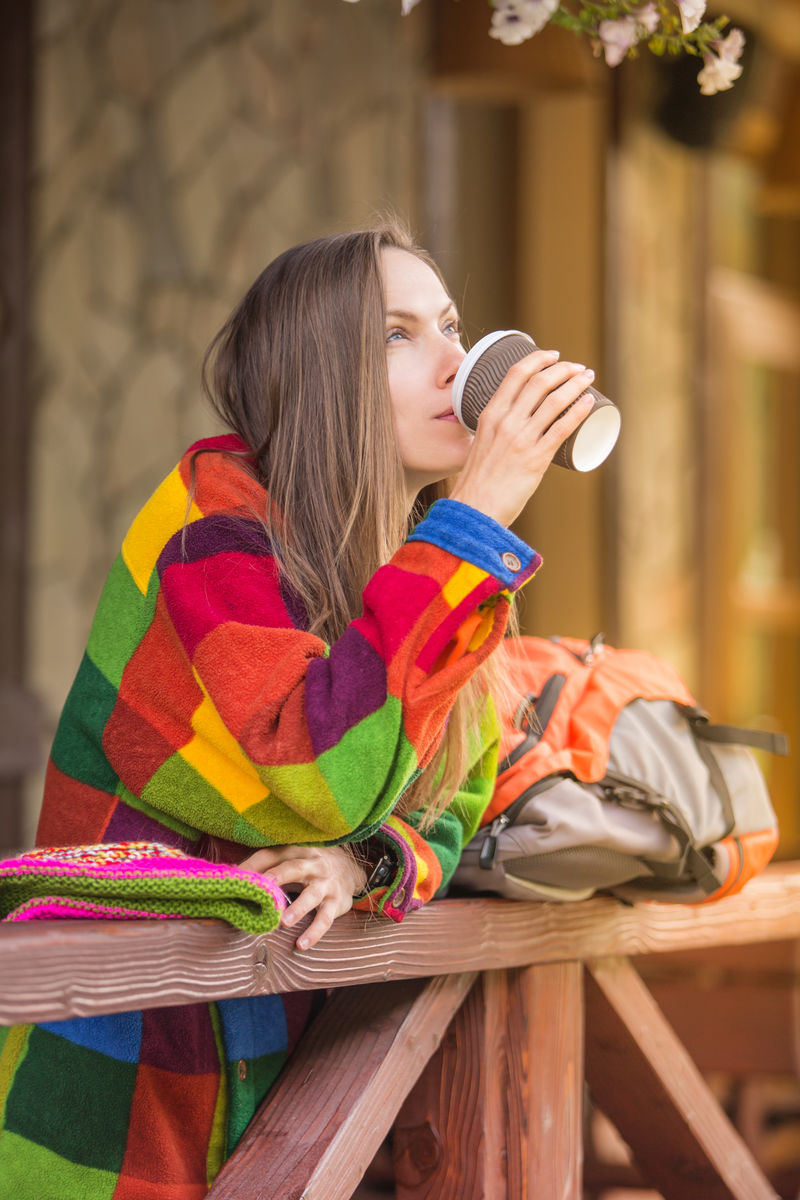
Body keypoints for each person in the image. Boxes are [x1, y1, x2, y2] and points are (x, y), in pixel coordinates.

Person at [0, 220, 595, 1198]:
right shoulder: (206, 530)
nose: (456, 361)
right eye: (399, 334)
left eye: (451, 323)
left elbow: (457, 794)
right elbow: (319, 775)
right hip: (115, 1112)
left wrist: (361, 858)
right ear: (322, 376)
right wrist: (475, 523)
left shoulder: (412, 567)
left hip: (290, 1098)